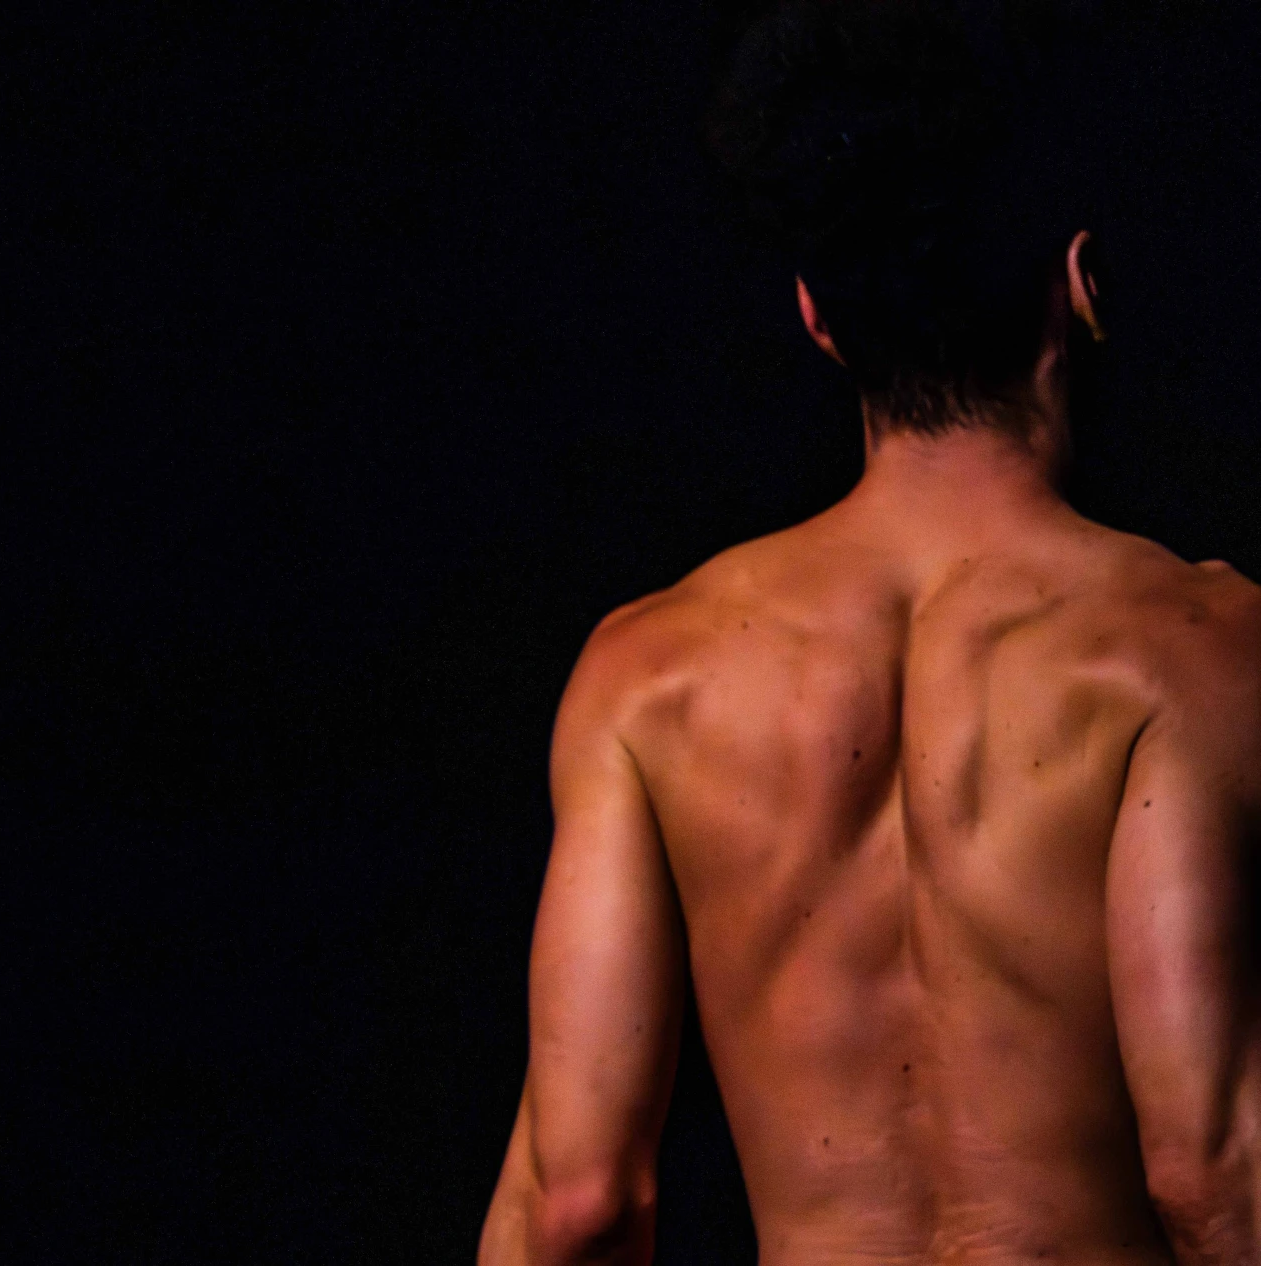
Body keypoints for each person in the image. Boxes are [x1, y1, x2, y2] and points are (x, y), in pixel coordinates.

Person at [478, 3, 1261, 1263]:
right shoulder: (1190, 649)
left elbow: (578, 1202)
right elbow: (1214, 1174)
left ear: (817, 319)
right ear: (1079, 284)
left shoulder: (648, 676)